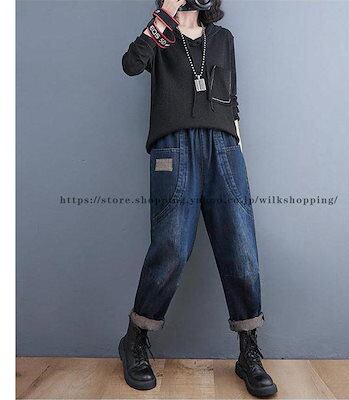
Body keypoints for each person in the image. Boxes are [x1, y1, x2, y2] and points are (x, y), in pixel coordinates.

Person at [120, 0, 277, 397]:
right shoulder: (160, 36)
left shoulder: (223, 39)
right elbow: (131, 64)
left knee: (241, 249)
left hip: (224, 148)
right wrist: (165, 15)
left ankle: (248, 352)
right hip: (173, 149)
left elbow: (232, 97)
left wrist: (236, 146)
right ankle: (135, 339)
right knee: (171, 247)